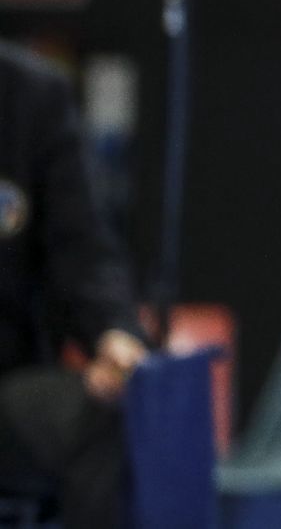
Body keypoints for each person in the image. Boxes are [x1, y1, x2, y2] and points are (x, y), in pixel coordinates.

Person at [0, 41, 148, 529]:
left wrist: (113, 333)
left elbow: (83, 249)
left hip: (7, 378)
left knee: (100, 414)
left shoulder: (32, 96)